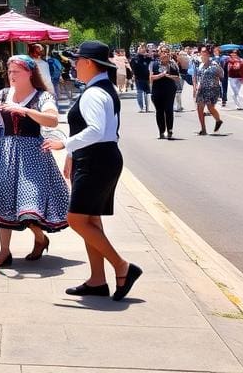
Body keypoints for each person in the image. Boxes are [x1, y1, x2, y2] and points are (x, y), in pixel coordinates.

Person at [42, 41, 141, 302]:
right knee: (91, 221)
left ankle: (122, 266)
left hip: (97, 159)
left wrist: (65, 144)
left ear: (87, 63)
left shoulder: (94, 93)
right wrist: (72, 155)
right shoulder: (99, 89)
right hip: (98, 158)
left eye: (76, 61)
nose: (73, 65)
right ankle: (97, 280)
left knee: (77, 220)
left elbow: (96, 130)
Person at [0, 55, 69, 269]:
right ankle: (4, 252)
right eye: (10, 72)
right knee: (1, 200)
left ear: (29, 73)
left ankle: (40, 237)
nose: (12, 75)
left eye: (16, 71)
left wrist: (24, 110)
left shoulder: (42, 96)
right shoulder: (4, 93)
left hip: (33, 155)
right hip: (5, 153)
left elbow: (52, 120)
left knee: (29, 203)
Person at [149, 46, 181, 140]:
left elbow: (177, 78)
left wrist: (168, 76)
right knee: (159, 111)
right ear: (160, 53)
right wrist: (161, 75)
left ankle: (170, 130)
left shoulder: (173, 64)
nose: (165, 54)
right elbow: (151, 78)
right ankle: (161, 131)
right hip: (157, 90)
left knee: (169, 110)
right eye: (163, 52)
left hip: (169, 90)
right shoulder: (154, 64)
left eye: (167, 52)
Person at [193, 47, 224, 135]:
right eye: (202, 52)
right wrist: (195, 87)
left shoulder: (214, 64)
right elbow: (196, 76)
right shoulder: (200, 64)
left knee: (210, 108)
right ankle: (203, 129)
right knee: (199, 108)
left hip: (212, 89)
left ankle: (218, 120)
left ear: (208, 54)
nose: (203, 54)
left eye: (205, 52)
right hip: (202, 89)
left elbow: (221, 75)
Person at [129, 45, 152, 112]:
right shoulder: (135, 58)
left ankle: (147, 107)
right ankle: (142, 108)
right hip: (138, 77)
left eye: (143, 49)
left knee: (147, 93)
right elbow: (132, 67)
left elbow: (150, 59)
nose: (142, 50)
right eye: (140, 48)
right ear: (138, 50)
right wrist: (133, 76)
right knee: (140, 92)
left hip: (146, 77)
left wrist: (147, 54)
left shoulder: (146, 58)